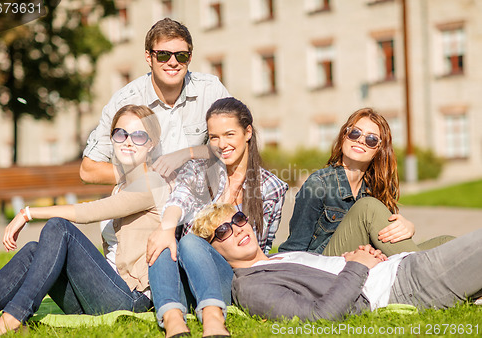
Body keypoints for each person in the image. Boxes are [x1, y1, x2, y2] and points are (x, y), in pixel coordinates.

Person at [0, 105, 170, 337]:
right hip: (101, 294)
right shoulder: (121, 186)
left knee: (59, 227)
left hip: (130, 298)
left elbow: (91, 211)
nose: (128, 141)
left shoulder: (152, 182)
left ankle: (13, 317)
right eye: (120, 134)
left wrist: (27, 213)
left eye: (138, 136)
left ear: (151, 144)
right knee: (33, 250)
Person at [193, 203, 482, 322]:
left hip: (398, 269)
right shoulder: (252, 287)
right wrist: (359, 266)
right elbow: (320, 317)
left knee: (447, 239)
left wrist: (355, 259)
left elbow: (325, 277)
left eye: (238, 219)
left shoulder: (278, 257)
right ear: (213, 251)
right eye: (222, 231)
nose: (238, 229)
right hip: (405, 285)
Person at [146, 97, 288, 337]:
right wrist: (167, 227)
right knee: (163, 238)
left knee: (191, 241)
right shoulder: (198, 170)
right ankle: (173, 321)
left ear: (248, 132)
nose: (222, 144)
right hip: (187, 276)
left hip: (230, 281)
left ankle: (213, 318)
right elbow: (179, 199)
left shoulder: (272, 188)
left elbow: (263, 246)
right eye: (214, 137)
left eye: (229, 134)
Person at [279, 108, 453, 256]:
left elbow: (387, 242)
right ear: (344, 136)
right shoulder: (318, 185)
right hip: (327, 269)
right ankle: (420, 271)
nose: (361, 140)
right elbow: (294, 249)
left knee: (447, 242)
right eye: (354, 133)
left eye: (371, 139)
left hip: (368, 266)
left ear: (379, 150)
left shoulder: (377, 188)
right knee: (366, 207)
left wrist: (408, 226)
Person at [80, 17, 230, 185]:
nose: (173, 62)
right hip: (145, 200)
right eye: (163, 55)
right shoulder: (125, 102)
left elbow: (236, 144)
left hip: (200, 199)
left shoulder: (211, 91)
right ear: (148, 57)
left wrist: (189, 153)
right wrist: (149, 176)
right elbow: (88, 170)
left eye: (181, 56)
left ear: (189, 58)